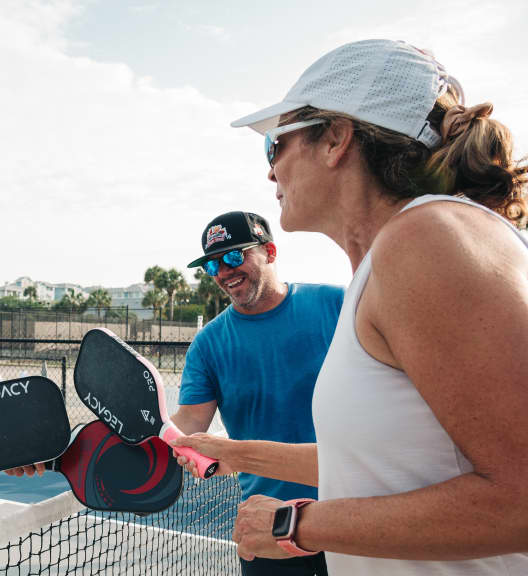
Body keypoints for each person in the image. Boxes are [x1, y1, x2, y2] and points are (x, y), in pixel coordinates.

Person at [178, 39, 528, 575]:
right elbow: (381, 468)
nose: (271, 173)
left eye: (275, 144)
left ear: (336, 138)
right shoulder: (396, 258)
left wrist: (296, 525)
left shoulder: (427, 239)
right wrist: (243, 455)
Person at [172, 210, 343, 576]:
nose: (224, 272)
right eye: (213, 265)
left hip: (348, 520)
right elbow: (186, 425)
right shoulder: (208, 345)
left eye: (235, 256)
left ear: (270, 251)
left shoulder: (336, 305)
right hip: (270, 530)